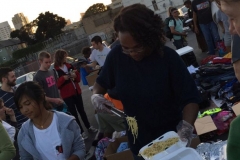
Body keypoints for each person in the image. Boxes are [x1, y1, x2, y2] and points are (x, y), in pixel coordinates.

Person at [91, 4, 200, 159]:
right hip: (139, 143)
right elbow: (99, 85)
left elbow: (191, 98)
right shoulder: (117, 56)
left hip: (171, 139)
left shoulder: (168, 58)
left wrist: (186, 128)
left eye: (137, 48)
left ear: (150, 39)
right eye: (125, 48)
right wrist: (96, 96)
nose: (131, 53)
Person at [15, 81, 86, 160]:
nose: (25, 110)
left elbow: (80, 148)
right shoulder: (24, 133)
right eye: (20, 107)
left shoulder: (66, 121)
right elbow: (25, 158)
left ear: (41, 98)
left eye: (27, 103)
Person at [54, 49, 97, 139]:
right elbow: (56, 84)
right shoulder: (55, 70)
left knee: (82, 110)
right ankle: (81, 132)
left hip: (76, 91)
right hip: (67, 95)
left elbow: (78, 78)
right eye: (65, 56)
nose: (66, 58)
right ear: (60, 57)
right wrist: (63, 78)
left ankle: (89, 127)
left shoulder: (69, 66)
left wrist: (75, 76)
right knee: (74, 114)